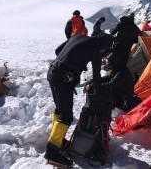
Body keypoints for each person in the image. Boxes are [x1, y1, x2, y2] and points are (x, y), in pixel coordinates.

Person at [45, 32, 113, 167]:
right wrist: (98, 88)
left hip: (52, 72)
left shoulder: (78, 36)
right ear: (103, 46)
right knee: (66, 116)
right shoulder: (95, 49)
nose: (103, 53)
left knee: (60, 110)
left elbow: (58, 50)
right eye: (104, 51)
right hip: (63, 78)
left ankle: (58, 140)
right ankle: (52, 152)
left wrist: (74, 59)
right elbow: (96, 74)